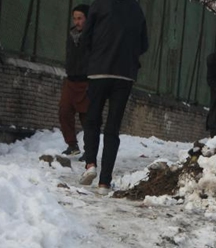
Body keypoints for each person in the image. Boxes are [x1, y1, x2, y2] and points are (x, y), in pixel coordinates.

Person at [79, 0, 149, 195]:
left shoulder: (99, 4)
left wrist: (95, 54)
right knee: (113, 128)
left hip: (99, 70)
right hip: (125, 75)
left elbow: (86, 36)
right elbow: (144, 44)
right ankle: (104, 183)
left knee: (92, 119)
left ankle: (90, 164)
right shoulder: (136, 9)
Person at [59, 4, 90, 157]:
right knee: (64, 110)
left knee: (87, 116)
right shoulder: (71, 35)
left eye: (80, 18)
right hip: (71, 79)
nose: (77, 22)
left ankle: (89, 149)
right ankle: (72, 144)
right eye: (75, 18)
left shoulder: (94, 35)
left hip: (87, 80)